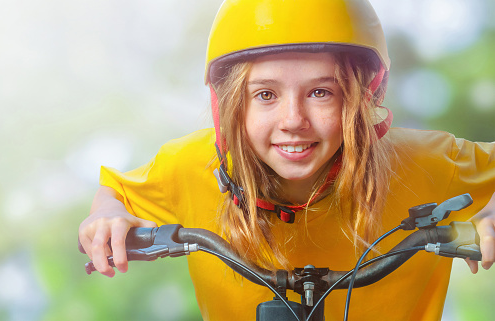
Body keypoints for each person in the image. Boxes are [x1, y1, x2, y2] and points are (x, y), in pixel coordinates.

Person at [78, 0, 495, 320]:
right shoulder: (190, 165)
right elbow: (116, 192)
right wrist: (107, 216)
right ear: (229, 107)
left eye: (321, 92)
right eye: (265, 95)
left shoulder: (423, 162)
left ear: (362, 97)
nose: (293, 121)